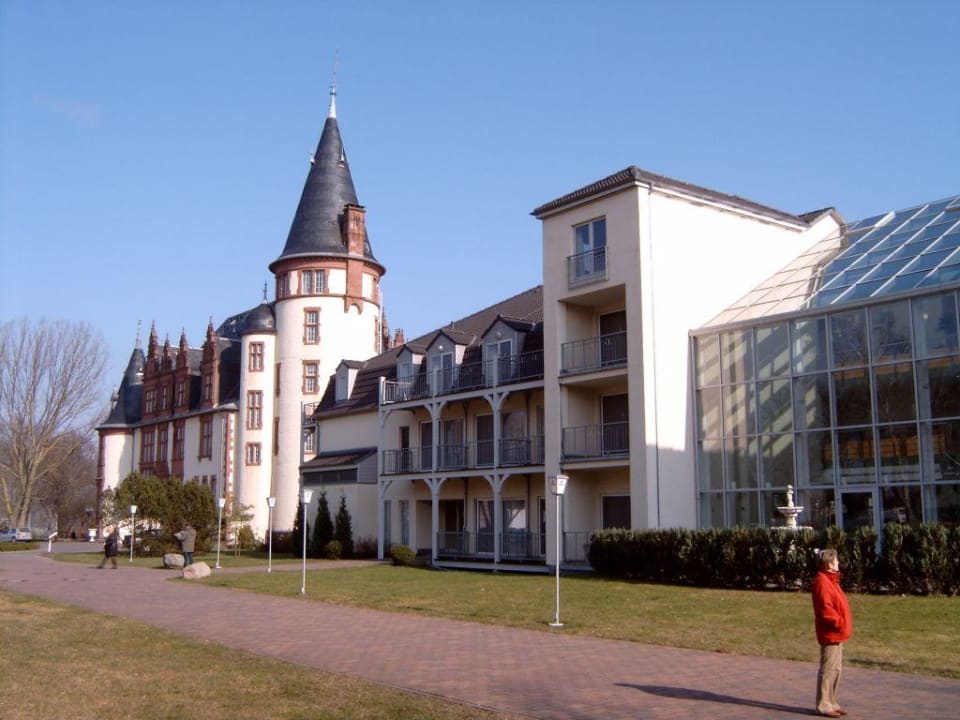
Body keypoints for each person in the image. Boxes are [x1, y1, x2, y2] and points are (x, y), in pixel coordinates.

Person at [811, 548, 853, 718]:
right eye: (836, 560)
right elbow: (825, 610)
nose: (838, 562)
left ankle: (832, 702)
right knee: (828, 670)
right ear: (829, 563)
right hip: (831, 632)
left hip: (838, 632)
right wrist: (839, 623)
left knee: (836, 669)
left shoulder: (831, 580)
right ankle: (824, 705)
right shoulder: (822, 582)